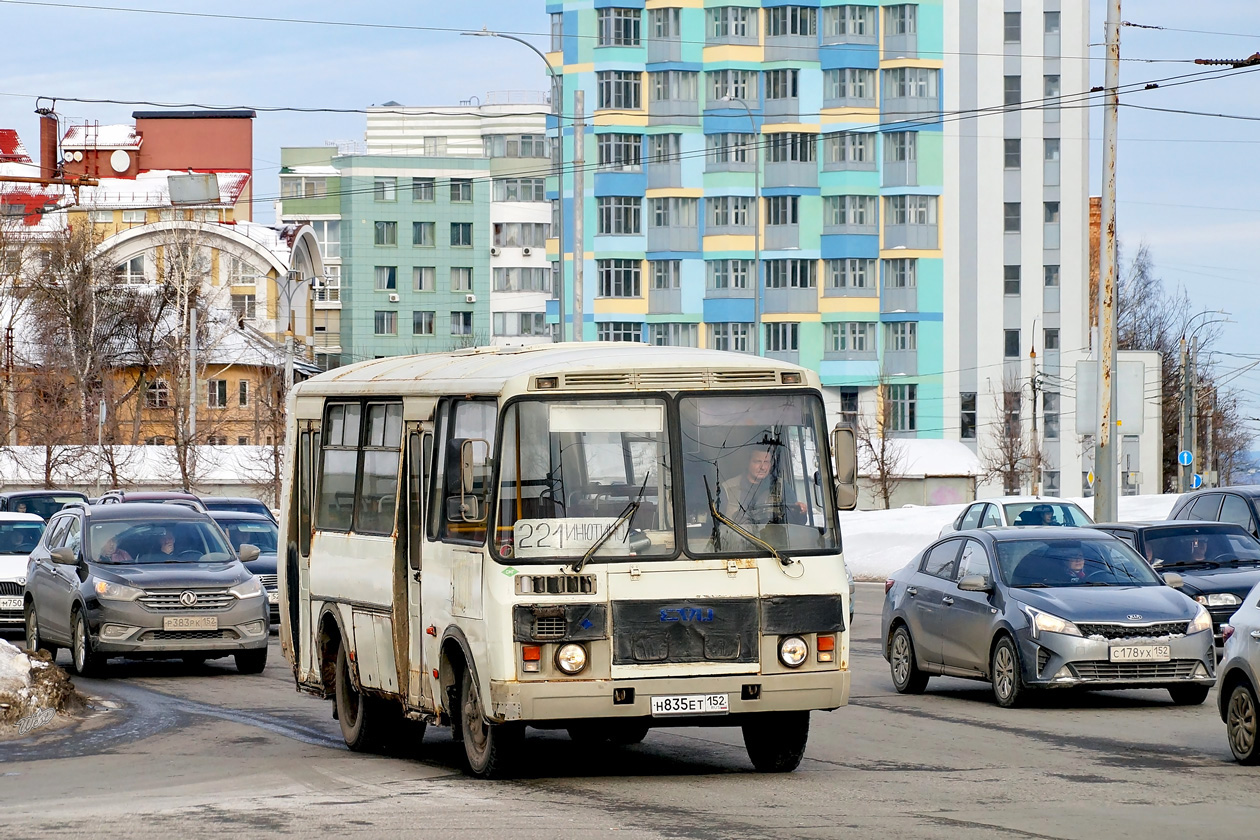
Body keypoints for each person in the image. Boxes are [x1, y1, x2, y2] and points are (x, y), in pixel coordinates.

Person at [720, 448, 806, 526]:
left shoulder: (781, 487)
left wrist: (801, 512)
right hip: (735, 541)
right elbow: (717, 524)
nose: (763, 467)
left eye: (766, 462)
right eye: (757, 462)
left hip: (771, 541)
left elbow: (795, 523)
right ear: (748, 462)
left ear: (771, 464)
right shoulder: (728, 487)